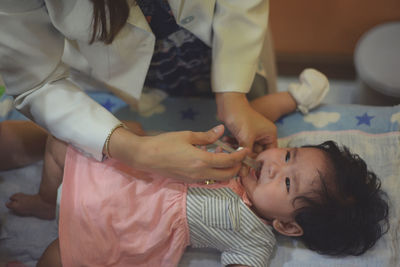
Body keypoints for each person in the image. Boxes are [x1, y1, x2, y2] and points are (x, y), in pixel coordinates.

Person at [6, 78, 388, 267]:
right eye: (288, 155)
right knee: (60, 140)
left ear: (288, 226)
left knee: (55, 258)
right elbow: (256, 115)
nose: (273, 164)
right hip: (134, 168)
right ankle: (45, 200)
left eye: (287, 182)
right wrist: (297, 96)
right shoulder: (243, 156)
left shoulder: (256, 240)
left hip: (130, 224)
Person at [0, 0, 277, 182]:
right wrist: (135, 151)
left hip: (223, 45)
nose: (275, 169)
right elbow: (35, 81)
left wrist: (232, 92)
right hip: (111, 73)